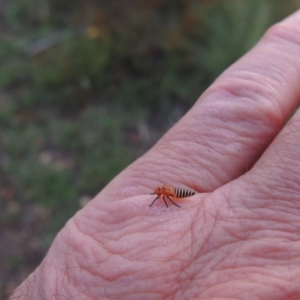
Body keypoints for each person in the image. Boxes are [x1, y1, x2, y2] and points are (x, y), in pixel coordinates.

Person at [10, 10, 300, 300]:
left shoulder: (167, 194)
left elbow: (168, 199)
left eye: (158, 193)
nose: (157, 193)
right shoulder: (165, 194)